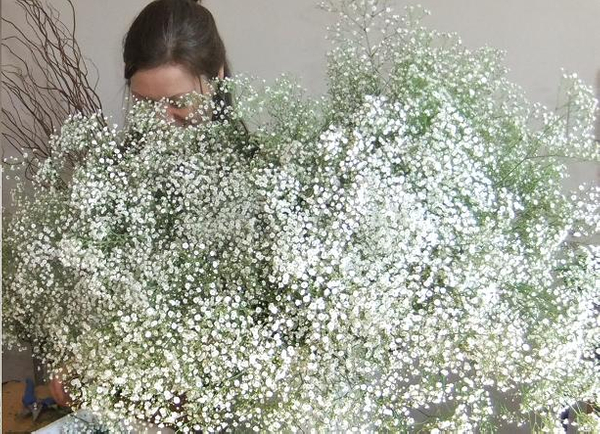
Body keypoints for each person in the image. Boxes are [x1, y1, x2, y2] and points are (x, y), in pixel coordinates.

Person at [49, 0, 235, 407]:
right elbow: (102, 288)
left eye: (179, 102)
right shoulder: (114, 180)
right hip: (133, 399)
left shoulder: (261, 181)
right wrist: (77, 353)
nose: (162, 119)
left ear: (216, 76)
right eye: (145, 103)